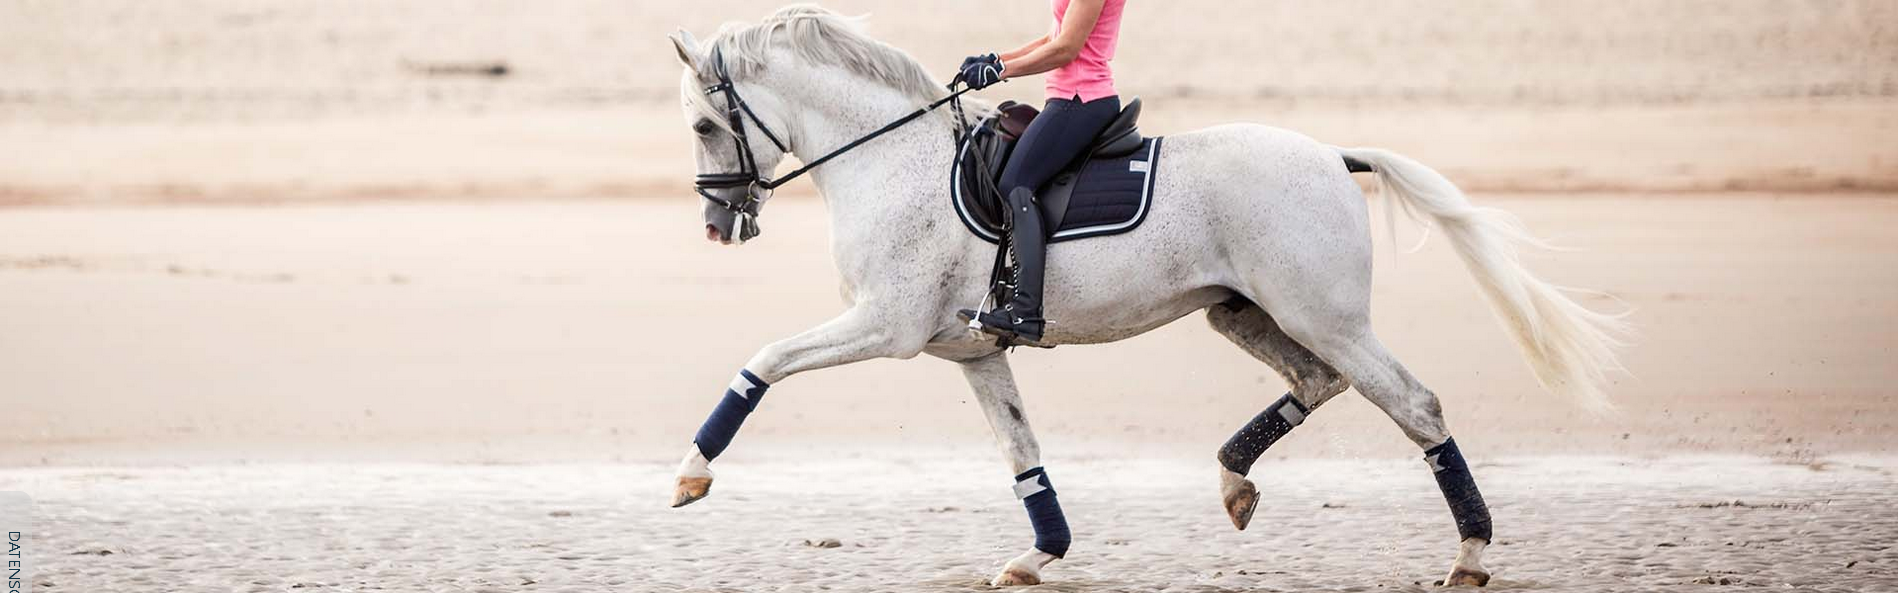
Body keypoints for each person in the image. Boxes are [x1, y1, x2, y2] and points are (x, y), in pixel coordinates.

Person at [956, 0, 1124, 345]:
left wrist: (1001, 72)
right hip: (1067, 97)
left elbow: (1066, 49)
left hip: (1082, 99)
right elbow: (1052, 37)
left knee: (1015, 184)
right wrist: (997, 59)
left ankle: (1025, 310)